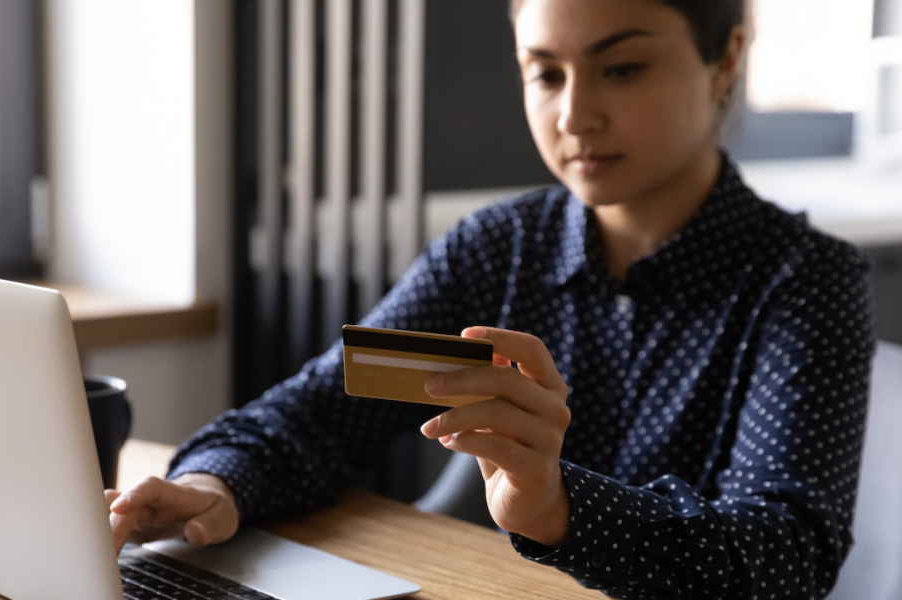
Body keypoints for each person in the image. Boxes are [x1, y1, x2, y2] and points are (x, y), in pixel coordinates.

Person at [106, 0, 876, 597]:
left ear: (726, 57)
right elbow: (318, 410)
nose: (574, 115)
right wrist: (212, 483)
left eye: (624, 68)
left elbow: (784, 555)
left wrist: (557, 505)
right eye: (545, 73)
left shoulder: (805, 281)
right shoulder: (499, 247)